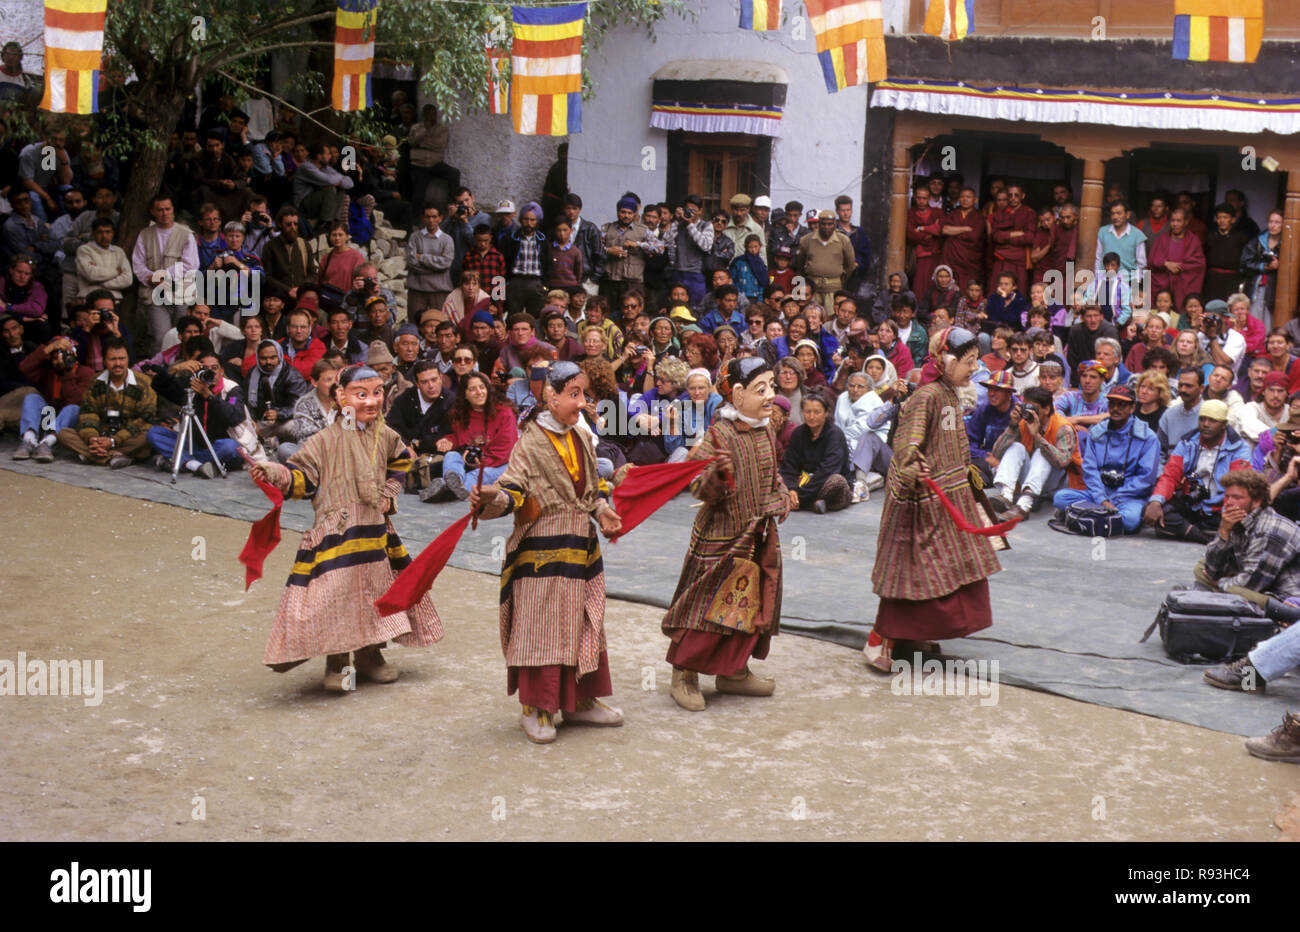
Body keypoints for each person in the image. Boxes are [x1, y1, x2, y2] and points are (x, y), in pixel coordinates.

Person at [250, 364, 443, 691]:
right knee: (336, 598)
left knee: (375, 595)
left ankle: (370, 657)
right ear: (340, 396)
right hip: (336, 534)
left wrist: (390, 491)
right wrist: (274, 472)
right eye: (361, 394)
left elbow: (400, 461)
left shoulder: (386, 434)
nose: (371, 401)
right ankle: (338, 664)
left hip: (374, 534)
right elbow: (301, 478)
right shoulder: (323, 441)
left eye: (377, 392)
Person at [470, 362, 626, 742]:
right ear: (550, 397)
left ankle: (581, 702)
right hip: (540, 551)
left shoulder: (581, 436)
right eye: (574, 395)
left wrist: (603, 511)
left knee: (585, 620)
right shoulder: (530, 442)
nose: (582, 402)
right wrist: (493, 496)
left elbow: (592, 490)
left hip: (580, 547)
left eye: (584, 394)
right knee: (539, 628)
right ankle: (536, 707)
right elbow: (514, 490)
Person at [866, 326, 999, 673]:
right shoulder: (927, 397)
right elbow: (907, 443)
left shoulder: (950, 392)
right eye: (968, 362)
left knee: (945, 573)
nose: (974, 369)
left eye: (976, 362)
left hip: (950, 500)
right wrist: (913, 462)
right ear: (946, 360)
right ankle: (888, 641)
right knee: (911, 574)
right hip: (920, 502)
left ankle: (916, 639)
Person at [662, 357, 789, 711]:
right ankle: (683, 673)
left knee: (750, 607)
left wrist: (781, 495)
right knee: (704, 610)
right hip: (720, 540)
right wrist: (716, 476)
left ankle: (733, 671)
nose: (770, 395)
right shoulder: (719, 435)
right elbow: (695, 482)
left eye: (771, 387)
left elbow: (772, 474)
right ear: (737, 393)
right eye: (760, 389)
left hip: (757, 536)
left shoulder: (765, 429)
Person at [1052, 384, 1160, 534]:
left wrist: (1115, 498)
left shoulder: (1148, 437)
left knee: (1130, 520)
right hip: (1099, 493)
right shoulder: (1097, 432)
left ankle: (1085, 514)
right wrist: (1102, 499)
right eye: (1112, 404)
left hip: (1129, 496)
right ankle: (1105, 516)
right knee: (1060, 498)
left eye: (1122, 405)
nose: (1116, 409)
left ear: (1132, 408)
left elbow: (1145, 478)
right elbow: (1089, 469)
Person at [1144, 399, 1249, 543]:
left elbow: (1237, 488)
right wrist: (1156, 501)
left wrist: (1227, 519)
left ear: (1224, 425)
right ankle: (1204, 537)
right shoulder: (1186, 443)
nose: (1206, 424)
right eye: (1202, 419)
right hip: (1191, 505)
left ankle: (1186, 531)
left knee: (1238, 519)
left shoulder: (1239, 449)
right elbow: (1170, 476)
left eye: (1213, 420)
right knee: (1151, 508)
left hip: (1220, 510)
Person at [987, 385, 1083, 521]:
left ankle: (1023, 506)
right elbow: (997, 453)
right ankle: (1006, 496)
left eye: (1034, 408)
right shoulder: (1023, 423)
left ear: (1046, 409)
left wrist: (1038, 436)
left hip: (1058, 482)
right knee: (1016, 447)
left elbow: (1063, 462)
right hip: (1033, 479)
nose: (1029, 412)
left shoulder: (1063, 427)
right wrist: (1012, 426)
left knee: (1041, 453)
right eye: (1026, 407)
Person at [58, 339, 157, 468]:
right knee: (64, 434)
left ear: (128, 359)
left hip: (127, 438)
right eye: (113, 359)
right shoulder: (95, 381)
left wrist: (113, 441)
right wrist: (92, 439)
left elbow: (145, 419)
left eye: (122, 359)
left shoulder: (143, 383)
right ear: (104, 361)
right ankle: (113, 456)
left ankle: (95, 456)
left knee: (147, 436)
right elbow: (88, 414)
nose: (118, 364)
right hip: (101, 435)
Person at [146, 348, 244, 477]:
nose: (210, 372)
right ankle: (196, 465)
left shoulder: (231, 389)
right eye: (205, 368)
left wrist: (208, 396)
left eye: (214, 368)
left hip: (218, 446)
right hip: (194, 445)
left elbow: (234, 417)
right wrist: (175, 369)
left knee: (230, 447)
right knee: (154, 433)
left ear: (221, 371)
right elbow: (159, 386)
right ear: (198, 371)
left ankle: (183, 461)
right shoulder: (190, 386)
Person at [434, 370, 517, 500]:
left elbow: (503, 452)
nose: (479, 392)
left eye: (482, 387)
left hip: (500, 464)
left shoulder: (504, 413)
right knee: (451, 456)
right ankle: (452, 488)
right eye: (472, 389)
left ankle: (447, 490)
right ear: (465, 394)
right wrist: (449, 440)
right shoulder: (459, 413)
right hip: (471, 462)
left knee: (476, 476)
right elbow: (460, 437)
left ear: (488, 390)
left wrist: (477, 462)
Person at [780, 388, 852, 514]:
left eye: (817, 412)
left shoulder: (834, 434)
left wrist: (800, 496)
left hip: (824, 483)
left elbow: (828, 470)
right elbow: (789, 465)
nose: (811, 416)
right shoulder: (798, 433)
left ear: (826, 413)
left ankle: (802, 502)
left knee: (836, 482)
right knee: (778, 478)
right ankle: (808, 503)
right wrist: (792, 489)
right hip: (803, 482)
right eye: (808, 412)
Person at [247, 338, 310, 447]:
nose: (268, 362)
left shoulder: (292, 375)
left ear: (280, 356)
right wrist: (251, 421)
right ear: (257, 358)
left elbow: (298, 407)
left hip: (283, 422)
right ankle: (266, 441)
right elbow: (245, 400)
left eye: (272, 358)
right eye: (263, 358)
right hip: (259, 423)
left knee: (294, 426)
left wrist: (278, 413)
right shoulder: (252, 374)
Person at [967, 370, 1018, 486]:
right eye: (990, 389)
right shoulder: (984, 410)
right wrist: (985, 456)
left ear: (1009, 393)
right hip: (989, 461)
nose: (992, 394)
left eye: (998, 390)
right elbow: (969, 442)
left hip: (1014, 462)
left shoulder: (1019, 411)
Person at [940, 188, 987, 292]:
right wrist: (965, 228)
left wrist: (954, 232)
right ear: (958, 199)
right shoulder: (953, 214)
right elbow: (944, 230)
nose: (965, 199)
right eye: (962, 197)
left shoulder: (979, 217)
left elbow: (974, 236)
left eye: (968, 197)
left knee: (968, 289)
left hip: (969, 260)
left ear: (975, 200)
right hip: (951, 258)